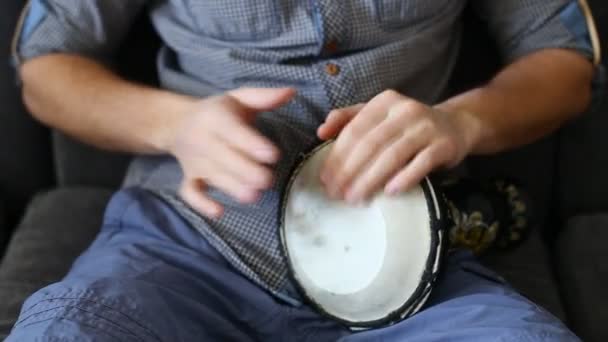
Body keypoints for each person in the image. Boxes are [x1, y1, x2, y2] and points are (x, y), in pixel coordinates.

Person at [5, 0, 601, 340]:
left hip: (415, 268)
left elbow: (563, 60)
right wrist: (171, 124)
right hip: (183, 250)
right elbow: (46, 70)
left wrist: (463, 121)